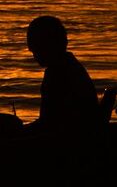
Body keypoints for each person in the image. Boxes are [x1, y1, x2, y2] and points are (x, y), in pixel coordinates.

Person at [24, 15, 102, 157]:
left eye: (35, 48)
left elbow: (49, 124)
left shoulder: (57, 74)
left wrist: (23, 131)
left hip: (68, 146)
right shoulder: (72, 66)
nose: (33, 55)